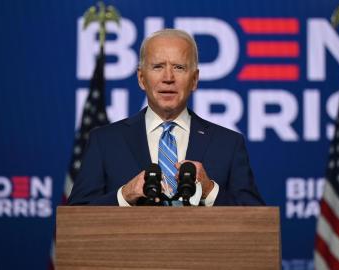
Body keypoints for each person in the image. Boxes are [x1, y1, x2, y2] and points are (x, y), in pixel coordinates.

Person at [68, 29, 264, 206]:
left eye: (179, 67)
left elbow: (257, 221)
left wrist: (210, 191)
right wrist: (124, 196)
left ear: (194, 79)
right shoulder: (105, 141)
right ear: (141, 78)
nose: (168, 77)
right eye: (158, 67)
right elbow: (74, 220)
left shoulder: (228, 144)